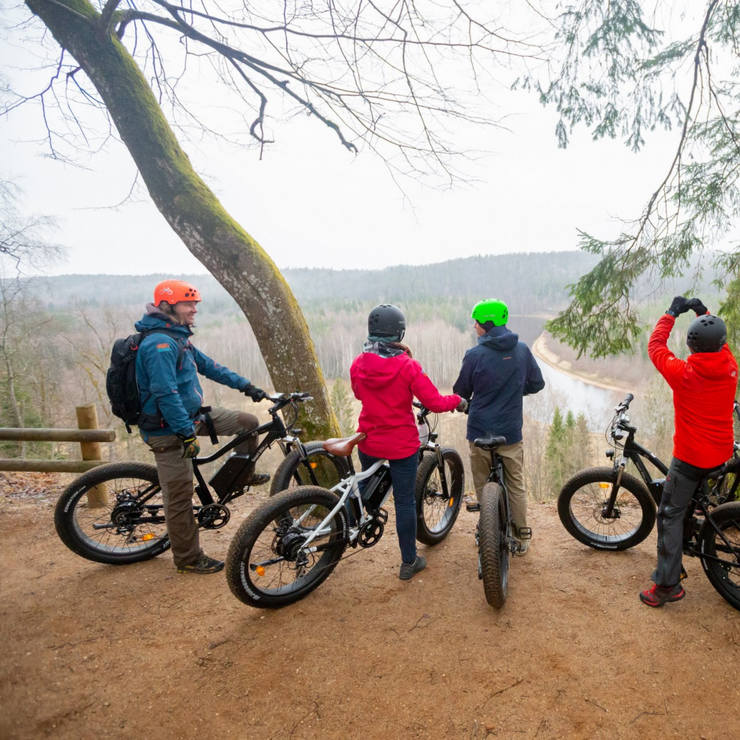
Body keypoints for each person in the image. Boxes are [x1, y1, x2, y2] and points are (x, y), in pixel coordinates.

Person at [135, 279, 270, 575]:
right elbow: (165, 394)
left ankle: (240, 476)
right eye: (189, 304)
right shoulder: (159, 345)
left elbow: (211, 367)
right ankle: (187, 558)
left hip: (191, 417)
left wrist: (248, 387)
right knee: (180, 496)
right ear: (168, 306)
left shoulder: (178, 336)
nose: (195, 309)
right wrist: (185, 434)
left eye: (195, 303)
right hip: (168, 429)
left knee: (248, 423)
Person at [350, 304, 466, 580]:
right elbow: (434, 403)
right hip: (401, 446)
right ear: (399, 332)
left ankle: (352, 526)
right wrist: (457, 401)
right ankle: (408, 562)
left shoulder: (359, 362)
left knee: (365, 489)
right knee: (404, 502)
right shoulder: (407, 365)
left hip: (369, 439)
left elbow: (358, 394)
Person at [640, 296, 738, 607]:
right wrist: (703, 312)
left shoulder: (684, 374)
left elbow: (656, 347)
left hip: (690, 460)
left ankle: (668, 585)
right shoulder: (730, 366)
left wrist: (671, 314)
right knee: (696, 484)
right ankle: (699, 510)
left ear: (692, 347)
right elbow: (718, 338)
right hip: (720, 453)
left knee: (668, 515)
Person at [453, 299, 545, 554]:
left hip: (480, 431)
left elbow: (460, 391)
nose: (474, 326)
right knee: (515, 484)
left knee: (483, 484)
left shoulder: (475, 355)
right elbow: (537, 384)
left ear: (488, 323)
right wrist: (516, 390)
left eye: (477, 322)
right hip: (510, 433)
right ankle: (522, 537)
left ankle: (486, 530)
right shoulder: (523, 350)